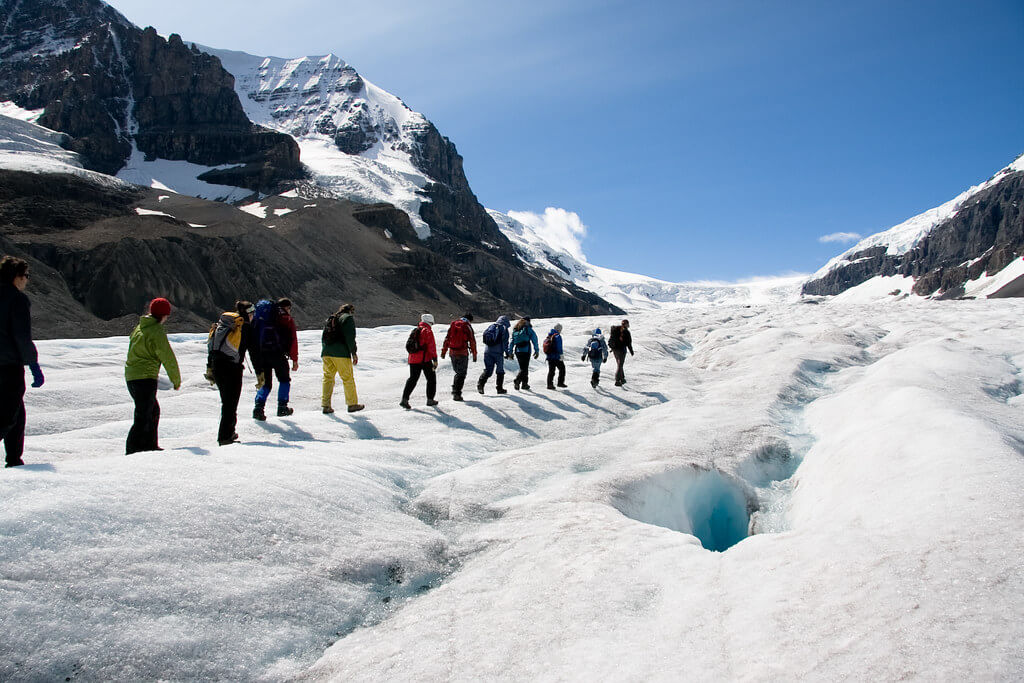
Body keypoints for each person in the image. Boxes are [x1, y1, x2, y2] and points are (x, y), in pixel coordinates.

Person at [0, 257, 43, 467]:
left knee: (17, 413)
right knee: (8, 414)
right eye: (26, 276)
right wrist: (33, 364)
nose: (27, 280)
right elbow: (21, 336)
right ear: (16, 277)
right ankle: (14, 459)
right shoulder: (16, 299)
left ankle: (14, 459)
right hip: (8, 366)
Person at [124, 297, 181, 454]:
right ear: (163, 315)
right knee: (144, 414)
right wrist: (176, 379)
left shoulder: (139, 328)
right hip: (144, 377)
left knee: (151, 411)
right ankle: (134, 449)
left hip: (132, 376)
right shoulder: (156, 331)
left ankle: (149, 445)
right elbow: (167, 356)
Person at [208, 300, 254, 446]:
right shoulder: (243, 328)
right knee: (230, 403)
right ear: (249, 313)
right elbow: (253, 351)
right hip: (231, 369)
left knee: (226, 402)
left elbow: (213, 348)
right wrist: (260, 372)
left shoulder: (225, 325)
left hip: (217, 366)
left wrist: (210, 367)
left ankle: (228, 432)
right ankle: (225, 436)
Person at [252, 297, 299, 420]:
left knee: (266, 383)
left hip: (262, 354)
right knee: (284, 380)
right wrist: (295, 359)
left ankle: (258, 408)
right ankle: (282, 407)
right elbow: (293, 339)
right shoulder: (286, 319)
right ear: (287, 308)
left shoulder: (263, 318)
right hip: (278, 354)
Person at [322, 303, 363, 414]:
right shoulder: (347, 318)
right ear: (350, 311)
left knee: (328, 378)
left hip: (326, 352)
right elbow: (350, 337)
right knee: (347, 378)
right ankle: (352, 404)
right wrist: (353, 353)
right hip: (340, 353)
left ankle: (326, 405)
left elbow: (324, 336)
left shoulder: (332, 318)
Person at [400, 313, 438, 409]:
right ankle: (430, 399)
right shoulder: (427, 331)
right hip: (425, 359)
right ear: (430, 322)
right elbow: (431, 347)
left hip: (413, 359)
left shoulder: (415, 330)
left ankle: (404, 399)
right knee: (431, 379)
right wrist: (435, 359)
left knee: (412, 379)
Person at [440, 313, 477, 401]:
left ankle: (455, 389)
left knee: (458, 372)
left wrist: (444, 352)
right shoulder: (467, 326)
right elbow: (472, 341)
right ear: (470, 320)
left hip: (452, 352)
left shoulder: (453, 324)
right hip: (462, 353)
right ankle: (456, 393)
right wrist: (474, 354)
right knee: (462, 373)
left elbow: (447, 338)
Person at [477, 315, 511, 395]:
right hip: (498, 353)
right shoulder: (504, 329)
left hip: (488, 351)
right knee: (500, 370)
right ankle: (499, 388)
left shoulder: (491, 326)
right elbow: (505, 343)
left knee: (488, 370)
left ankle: (480, 384)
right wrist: (507, 353)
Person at [509, 317, 540, 391]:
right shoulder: (528, 329)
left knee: (523, 368)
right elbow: (534, 339)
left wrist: (510, 352)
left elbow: (512, 342)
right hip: (526, 351)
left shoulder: (516, 329)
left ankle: (524, 384)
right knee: (524, 368)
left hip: (518, 351)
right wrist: (536, 350)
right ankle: (517, 380)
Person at [608, 319, 635, 387]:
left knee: (619, 364)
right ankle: (617, 380)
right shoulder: (626, 332)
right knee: (620, 365)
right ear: (626, 324)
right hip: (622, 350)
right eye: (628, 323)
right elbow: (629, 343)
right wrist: (631, 351)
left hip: (615, 349)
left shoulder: (615, 329)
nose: (628, 325)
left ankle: (622, 378)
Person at [543, 323, 566, 390]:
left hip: (550, 357)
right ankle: (560, 383)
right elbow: (559, 348)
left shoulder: (549, 336)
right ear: (559, 329)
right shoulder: (558, 336)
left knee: (551, 371)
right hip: (556, 357)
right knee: (562, 369)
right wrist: (561, 357)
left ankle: (549, 384)